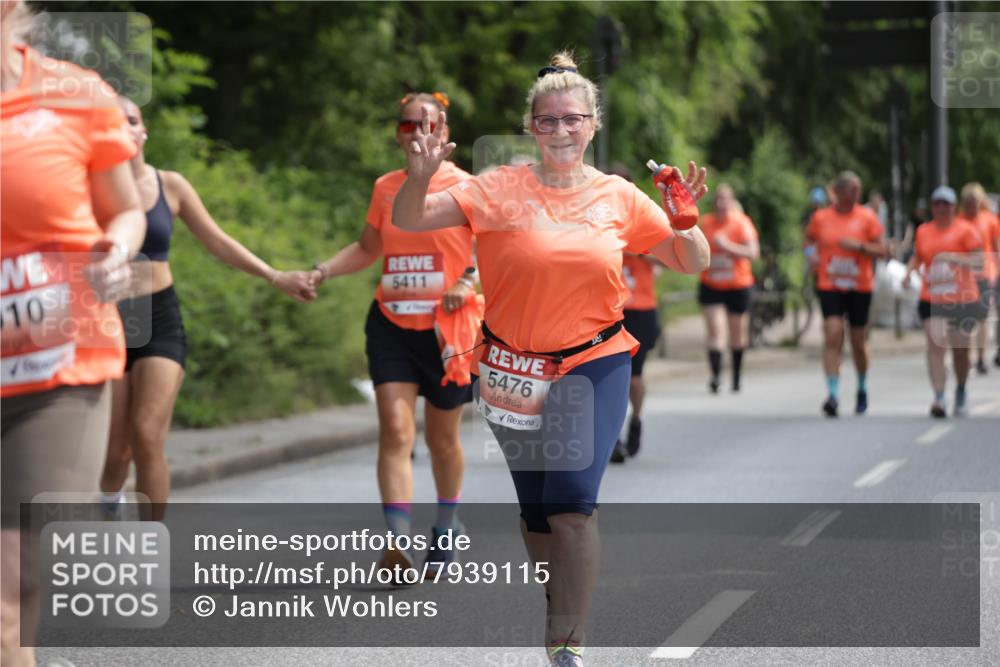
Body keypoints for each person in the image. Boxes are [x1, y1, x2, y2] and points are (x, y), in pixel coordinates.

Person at [392, 52, 710, 667]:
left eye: (573, 120)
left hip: (593, 361)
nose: (561, 131)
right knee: (537, 516)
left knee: (569, 506)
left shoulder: (619, 197)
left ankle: (567, 643)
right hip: (512, 367)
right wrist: (418, 176)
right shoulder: (496, 187)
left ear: (592, 126)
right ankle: (560, 600)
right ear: (530, 128)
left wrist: (685, 219)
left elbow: (689, 260)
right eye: (548, 121)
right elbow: (411, 220)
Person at [2, 2, 146, 662]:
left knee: (13, 577)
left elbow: (123, 212)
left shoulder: (76, 95)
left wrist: (116, 251)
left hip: (54, 362)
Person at [99, 99, 316, 523]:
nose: (124, 126)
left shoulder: (171, 185)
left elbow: (218, 242)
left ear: (144, 131)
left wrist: (275, 276)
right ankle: (109, 503)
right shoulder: (95, 188)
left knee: (147, 437)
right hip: (109, 321)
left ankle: (149, 541)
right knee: (116, 450)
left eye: (132, 119)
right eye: (114, 121)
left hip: (159, 317)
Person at [309, 92, 477, 581]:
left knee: (443, 440)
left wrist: (467, 281)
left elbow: (491, 250)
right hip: (392, 324)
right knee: (397, 432)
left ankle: (446, 527)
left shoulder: (466, 187)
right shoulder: (386, 187)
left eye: (426, 124)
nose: (417, 133)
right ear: (398, 133)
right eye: (407, 125)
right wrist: (323, 271)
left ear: (443, 129)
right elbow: (368, 247)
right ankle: (397, 540)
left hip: (447, 333)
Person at [804, 171, 887, 417]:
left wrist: (859, 247)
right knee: (833, 332)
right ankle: (832, 394)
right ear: (838, 192)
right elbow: (808, 240)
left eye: (858, 190)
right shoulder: (821, 217)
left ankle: (861, 387)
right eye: (852, 190)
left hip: (859, 286)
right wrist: (812, 256)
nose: (857, 194)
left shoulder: (867, 217)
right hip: (829, 283)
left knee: (858, 341)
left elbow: (883, 250)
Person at [904, 186, 985, 417]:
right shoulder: (923, 231)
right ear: (932, 207)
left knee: (960, 350)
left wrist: (954, 258)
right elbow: (918, 257)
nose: (941, 208)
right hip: (931, 297)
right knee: (935, 344)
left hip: (961, 298)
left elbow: (980, 262)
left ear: (953, 207)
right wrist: (909, 272)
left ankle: (960, 388)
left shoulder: (966, 231)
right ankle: (939, 396)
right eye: (937, 204)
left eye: (946, 204)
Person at [606, 164, 661, 463]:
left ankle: (635, 420)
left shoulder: (642, 217)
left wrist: (641, 249)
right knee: (610, 378)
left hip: (640, 309)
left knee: (634, 379)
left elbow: (670, 260)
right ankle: (612, 438)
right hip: (605, 310)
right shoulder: (594, 216)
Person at [697, 184, 760, 394]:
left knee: (737, 333)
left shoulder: (742, 223)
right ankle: (715, 376)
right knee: (715, 330)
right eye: (718, 199)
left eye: (726, 199)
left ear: (732, 202)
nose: (721, 203)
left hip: (738, 284)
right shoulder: (706, 222)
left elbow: (753, 253)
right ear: (714, 202)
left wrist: (727, 247)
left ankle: (736, 376)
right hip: (711, 283)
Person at [956, 182, 1000, 374]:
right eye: (969, 202)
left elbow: (996, 248)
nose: (972, 205)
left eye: (975, 201)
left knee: (981, 318)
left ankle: (981, 358)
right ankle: (969, 356)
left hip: (985, 274)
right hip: (964, 277)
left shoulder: (989, 220)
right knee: (967, 319)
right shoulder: (959, 221)